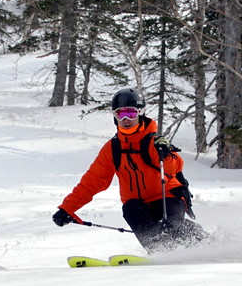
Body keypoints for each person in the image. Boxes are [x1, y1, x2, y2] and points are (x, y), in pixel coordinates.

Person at [52, 88, 207, 252]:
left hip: (167, 197)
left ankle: (205, 245)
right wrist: (67, 208)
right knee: (130, 208)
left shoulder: (153, 141)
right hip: (138, 205)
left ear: (140, 113)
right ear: (114, 116)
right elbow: (92, 181)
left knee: (172, 225)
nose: (126, 119)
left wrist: (166, 153)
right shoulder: (112, 148)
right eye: (120, 114)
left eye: (131, 114)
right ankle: (160, 251)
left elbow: (172, 169)